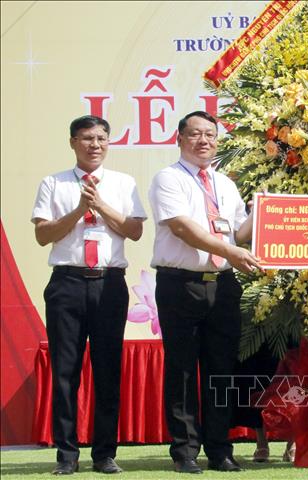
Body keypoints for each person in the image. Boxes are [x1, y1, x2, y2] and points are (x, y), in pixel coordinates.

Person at [31, 115, 146, 475]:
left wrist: (101, 206)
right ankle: (66, 455)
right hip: (67, 283)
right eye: (86, 139)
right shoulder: (53, 183)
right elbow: (43, 235)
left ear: (108, 143)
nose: (94, 145)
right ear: (72, 142)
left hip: (109, 283)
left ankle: (104, 454)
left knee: (108, 371)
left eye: (101, 139)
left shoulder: (123, 183)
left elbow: (134, 231)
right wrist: (80, 210)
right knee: (65, 372)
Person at [148, 111, 261, 474]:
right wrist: (231, 251)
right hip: (181, 284)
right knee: (182, 370)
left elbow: (238, 233)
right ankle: (184, 452)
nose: (203, 141)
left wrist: (267, 210)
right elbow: (183, 227)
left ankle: (219, 449)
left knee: (221, 371)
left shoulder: (225, 183)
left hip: (223, 285)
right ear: (179, 139)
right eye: (195, 134)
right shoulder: (168, 178)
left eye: (210, 135)